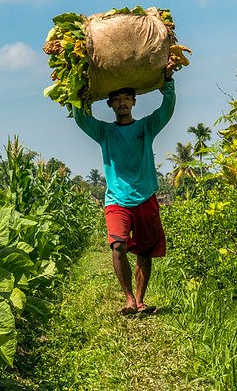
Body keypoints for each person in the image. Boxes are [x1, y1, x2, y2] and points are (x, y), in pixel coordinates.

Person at [72, 58, 177, 315]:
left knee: (145, 252)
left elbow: (167, 108)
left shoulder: (146, 127)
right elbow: (80, 118)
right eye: (117, 99)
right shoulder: (104, 132)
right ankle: (129, 298)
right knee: (118, 245)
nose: (122, 103)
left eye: (126, 99)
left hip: (145, 197)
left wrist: (168, 80)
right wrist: (75, 86)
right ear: (109, 104)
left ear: (134, 102)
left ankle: (140, 300)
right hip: (117, 199)